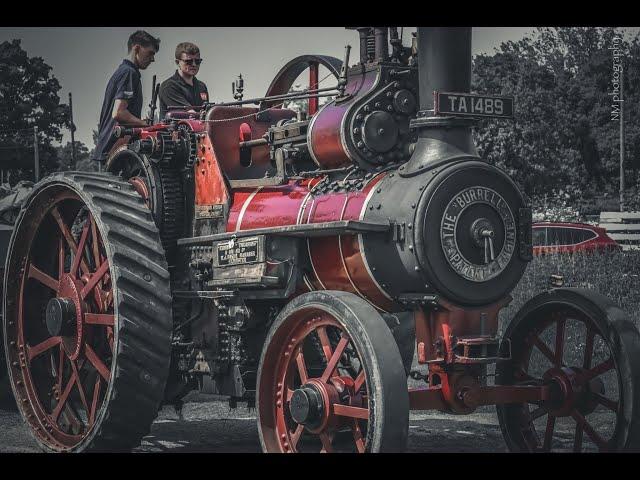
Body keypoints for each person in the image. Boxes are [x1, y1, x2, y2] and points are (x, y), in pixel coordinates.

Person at [93, 30, 160, 163]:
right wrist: (144, 124)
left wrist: (138, 121)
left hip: (113, 148)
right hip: (115, 149)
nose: (152, 59)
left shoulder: (124, 71)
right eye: (150, 53)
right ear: (137, 48)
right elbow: (119, 113)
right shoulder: (128, 73)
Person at [158, 42, 209, 119]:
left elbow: (207, 113)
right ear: (177, 62)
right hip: (176, 130)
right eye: (189, 61)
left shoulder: (202, 86)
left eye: (197, 61)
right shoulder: (169, 87)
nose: (194, 64)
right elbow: (190, 115)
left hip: (201, 130)